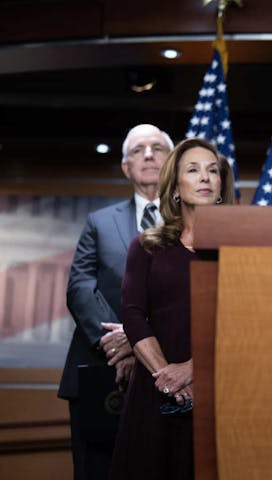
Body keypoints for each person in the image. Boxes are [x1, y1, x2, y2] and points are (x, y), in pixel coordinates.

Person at [108, 138, 234, 480]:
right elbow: (133, 314)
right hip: (154, 392)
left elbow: (243, 324)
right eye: (193, 170)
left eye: (212, 171)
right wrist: (167, 377)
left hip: (220, 388)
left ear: (222, 184)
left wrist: (193, 369)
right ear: (176, 187)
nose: (205, 177)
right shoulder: (147, 246)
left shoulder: (238, 249)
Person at [59, 124, 173, 480]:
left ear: (172, 162)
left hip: (169, 369)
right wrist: (118, 341)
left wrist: (139, 337)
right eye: (139, 150)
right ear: (126, 167)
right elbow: (80, 287)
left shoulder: (193, 223)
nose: (150, 155)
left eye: (158, 148)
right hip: (100, 367)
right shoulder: (99, 222)